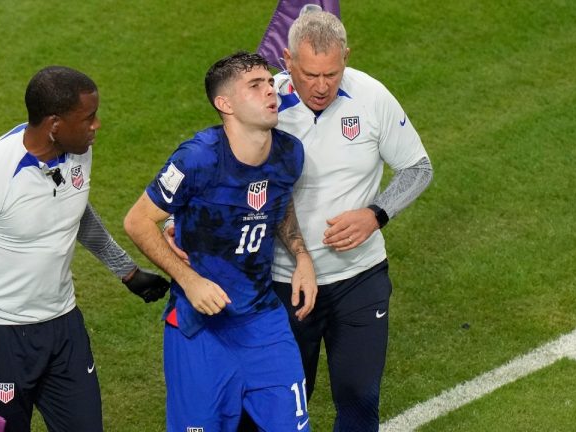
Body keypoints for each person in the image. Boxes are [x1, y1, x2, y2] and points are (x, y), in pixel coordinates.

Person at [168, 10, 433, 432]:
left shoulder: (372, 97)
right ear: (287, 60)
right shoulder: (263, 103)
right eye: (311, 74)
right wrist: (189, 223)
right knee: (278, 408)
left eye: (333, 72)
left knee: (360, 398)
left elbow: (418, 168)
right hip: (281, 283)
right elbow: (225, 173)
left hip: (359, 278)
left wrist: (375, 215)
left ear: (346, 56)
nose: (323, 86)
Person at [0, 65, 170, 432]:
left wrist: (128, 272)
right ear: (55, 124)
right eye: (88, 118)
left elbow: (74, 211)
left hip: (64, 327)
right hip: (2, 339)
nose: (97, 126)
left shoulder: (78, 151)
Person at [123, 52, 318, 432]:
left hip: (263, 322)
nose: (270, 91)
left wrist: (301, 256)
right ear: (224, 104)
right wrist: (190, 280)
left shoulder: (289, 153)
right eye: (255, 85)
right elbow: (138, 220)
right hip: (200, 331)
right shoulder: (198, 159)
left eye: (269, 82)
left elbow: (278, 204)